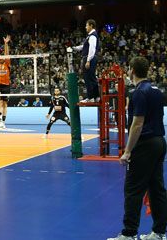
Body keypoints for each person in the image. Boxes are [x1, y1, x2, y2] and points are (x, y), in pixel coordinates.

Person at [108, 57, 167, 240]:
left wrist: (127, 151)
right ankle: (159, 232)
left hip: (145, 145)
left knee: (133, 189)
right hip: (159, 142)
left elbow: (137, 124)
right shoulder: (157, 90)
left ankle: (129, 234)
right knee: (156, 189)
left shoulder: (139, 92)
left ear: (132, 70)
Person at [71, 19, 100, 103]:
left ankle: (90, 97)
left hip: (88, 57)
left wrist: (88, 60)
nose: (85, 27)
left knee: (87, 78)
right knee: (92, 77)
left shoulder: (92, 36)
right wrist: (75, 48)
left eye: (87, 25)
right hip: (90, 57)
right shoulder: (90, 36)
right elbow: (84, 46)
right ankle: (96, 96)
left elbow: (92, 48)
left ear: (91, 26)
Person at [0, 35, 11, 129]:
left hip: (6, 86)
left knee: (5, 104)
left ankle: (3, 121)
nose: (1, 57)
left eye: (2, 56)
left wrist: (6, 43)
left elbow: (7, 53)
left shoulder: (7, 63)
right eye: (0, 56)